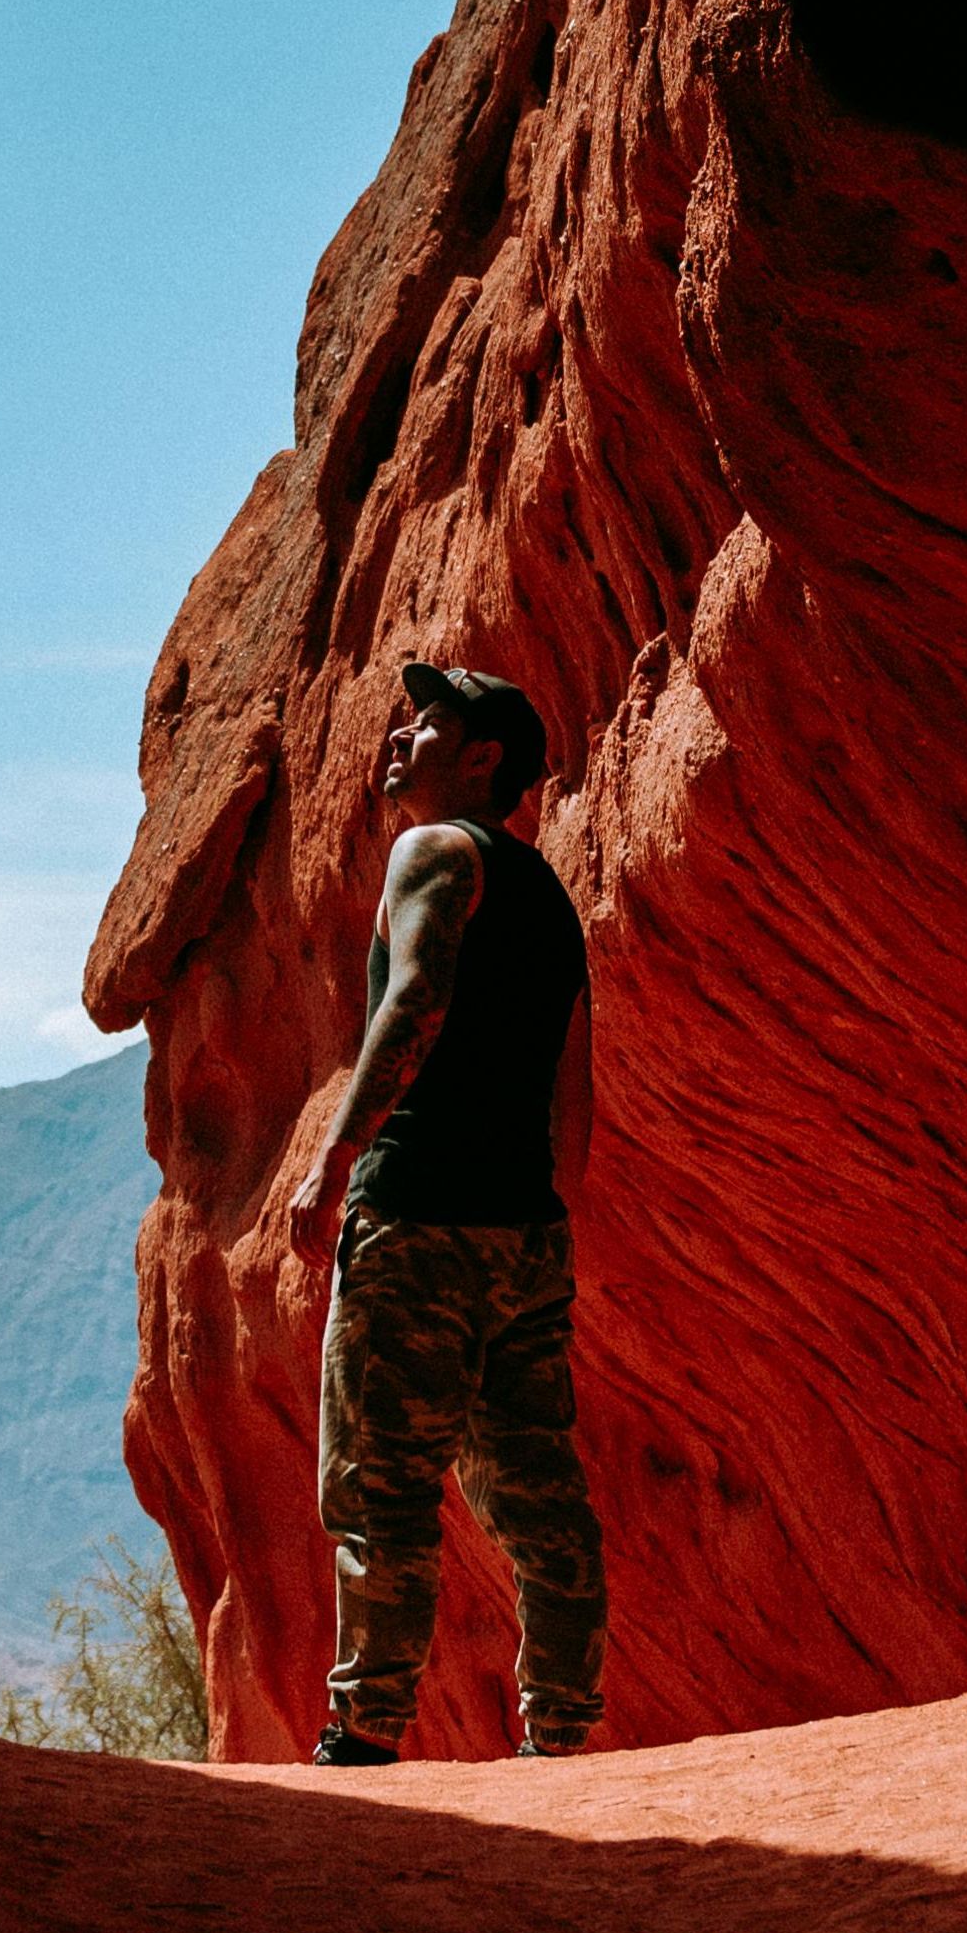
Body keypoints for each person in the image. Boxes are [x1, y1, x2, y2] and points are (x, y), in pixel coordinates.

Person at [281, 659, 607, 1764]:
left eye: (425, 724)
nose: (396, 738)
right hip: (523, 1232)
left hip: (416, 1215)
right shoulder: (548, 895)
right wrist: (539, 1221)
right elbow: (575, 1089)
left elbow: (414, 998)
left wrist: (335, 1160)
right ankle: (562, 1728)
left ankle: (365, 1731)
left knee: (380, 1487)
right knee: (537, 1493)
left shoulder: (434, 851)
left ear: (481, 760)